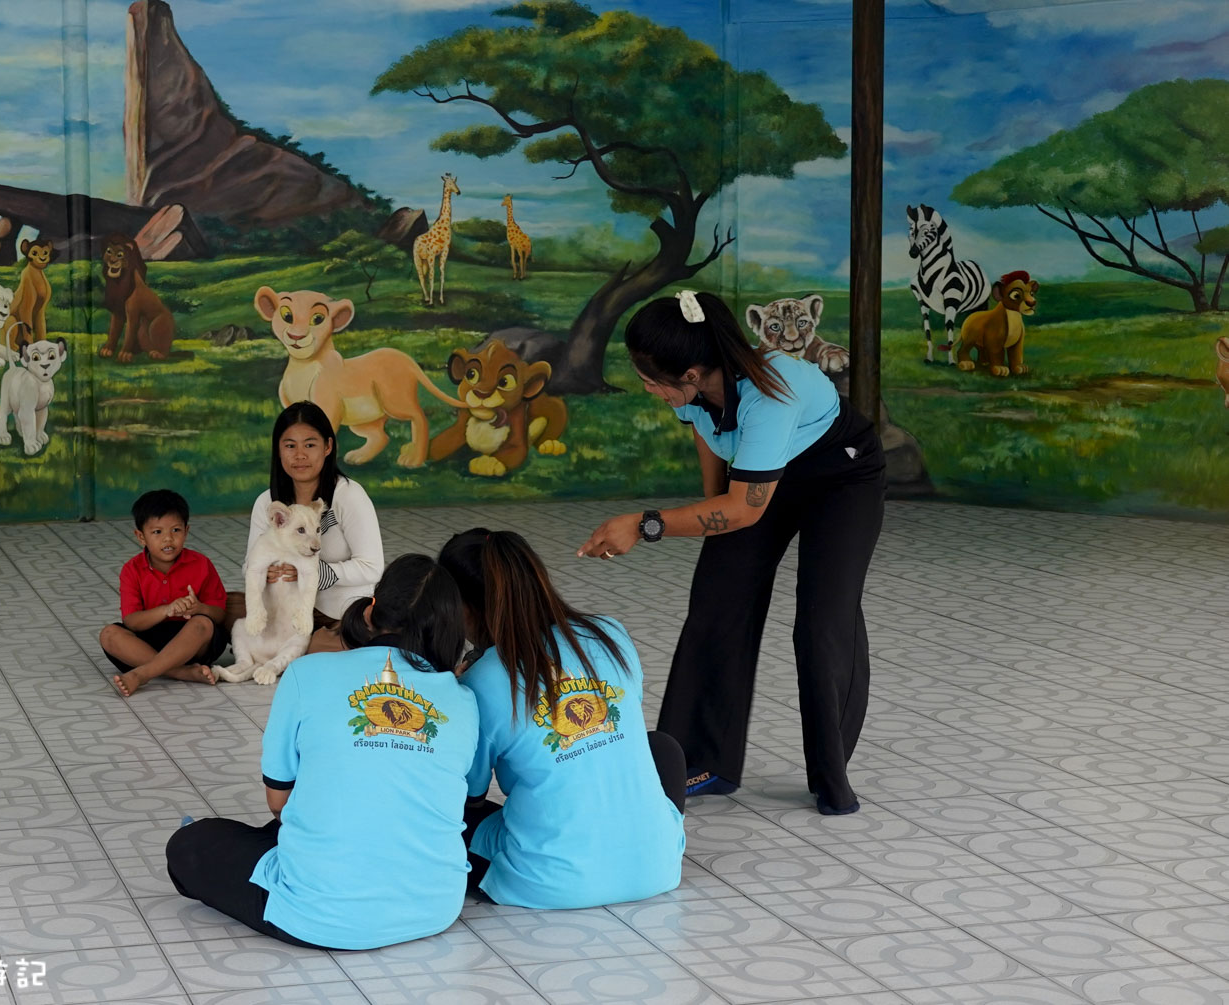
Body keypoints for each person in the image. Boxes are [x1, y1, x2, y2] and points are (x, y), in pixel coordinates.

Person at [578, 290, 886, 815]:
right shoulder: (693, 392)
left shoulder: (774, 392)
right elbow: (717, 464)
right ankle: (700, 761)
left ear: (694, 373)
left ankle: (830, 778)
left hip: (841, 476)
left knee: (821, 620)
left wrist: (645, 524)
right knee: (718, 599)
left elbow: (743, 510)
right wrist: (707, 521)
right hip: (757, 477)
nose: (646, 387)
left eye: (652, 380)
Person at [165, 554, 479, 950]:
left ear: (370, 612)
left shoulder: (306, 672)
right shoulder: (462, 699)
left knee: (191, 844)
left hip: (318, 915)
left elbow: (278, 803)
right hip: (435, 906)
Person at [438, 528, 686, 908]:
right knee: (661, 749)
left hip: (545, 882)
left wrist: (453, 697)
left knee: (441, 809)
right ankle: (633, 851)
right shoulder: (610, 634)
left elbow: (467, 796)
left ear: (464, 609)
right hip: (659, 869)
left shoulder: (482, 679)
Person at [236, 401, 384, 654]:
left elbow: (372, 568)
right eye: (290, 446)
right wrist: (267, 572)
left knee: (327, 642)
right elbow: (249, 564)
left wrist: (313, 573)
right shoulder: (267, 502)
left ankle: (310, 646)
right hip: (284, 610)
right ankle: (296, 647)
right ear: (278, 450)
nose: (300, 455)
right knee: (230, 608)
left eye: (310, 445)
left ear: (327, 447)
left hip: (338, 613)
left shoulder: (347, 495)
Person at [101, 489, 230, 698]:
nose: (168, 539)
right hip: (149, 640)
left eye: (176, 530)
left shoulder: (201, 564)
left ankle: (142, 674)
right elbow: (132, 621)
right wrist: (166, 610)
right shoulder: (131, 569)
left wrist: (200, 608)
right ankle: (180, 672)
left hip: (191, 644)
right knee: (109, 635)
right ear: (140, 536)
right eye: (157, 532)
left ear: (186, 531)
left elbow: (220, 615)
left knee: (203, 624)